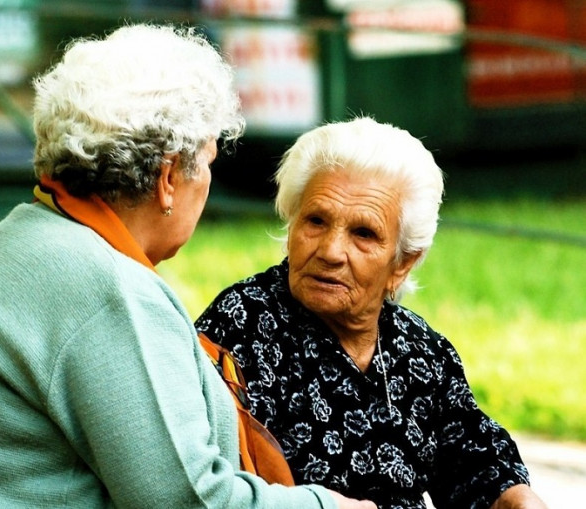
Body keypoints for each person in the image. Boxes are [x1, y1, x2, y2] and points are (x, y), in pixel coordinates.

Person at [0, 24, 376, 508]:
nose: (206, 182)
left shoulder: (31, 238)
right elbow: (188, 502)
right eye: (207, 161)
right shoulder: (109, 292)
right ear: (168, 178)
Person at [196, 117, 549, 508]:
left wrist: (516, 497)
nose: (331, 251)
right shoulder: (239, 326)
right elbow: (207, 484)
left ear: (403, 263)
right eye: (316, 221)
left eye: (363, 234)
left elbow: (475, 458)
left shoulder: (419, 352)